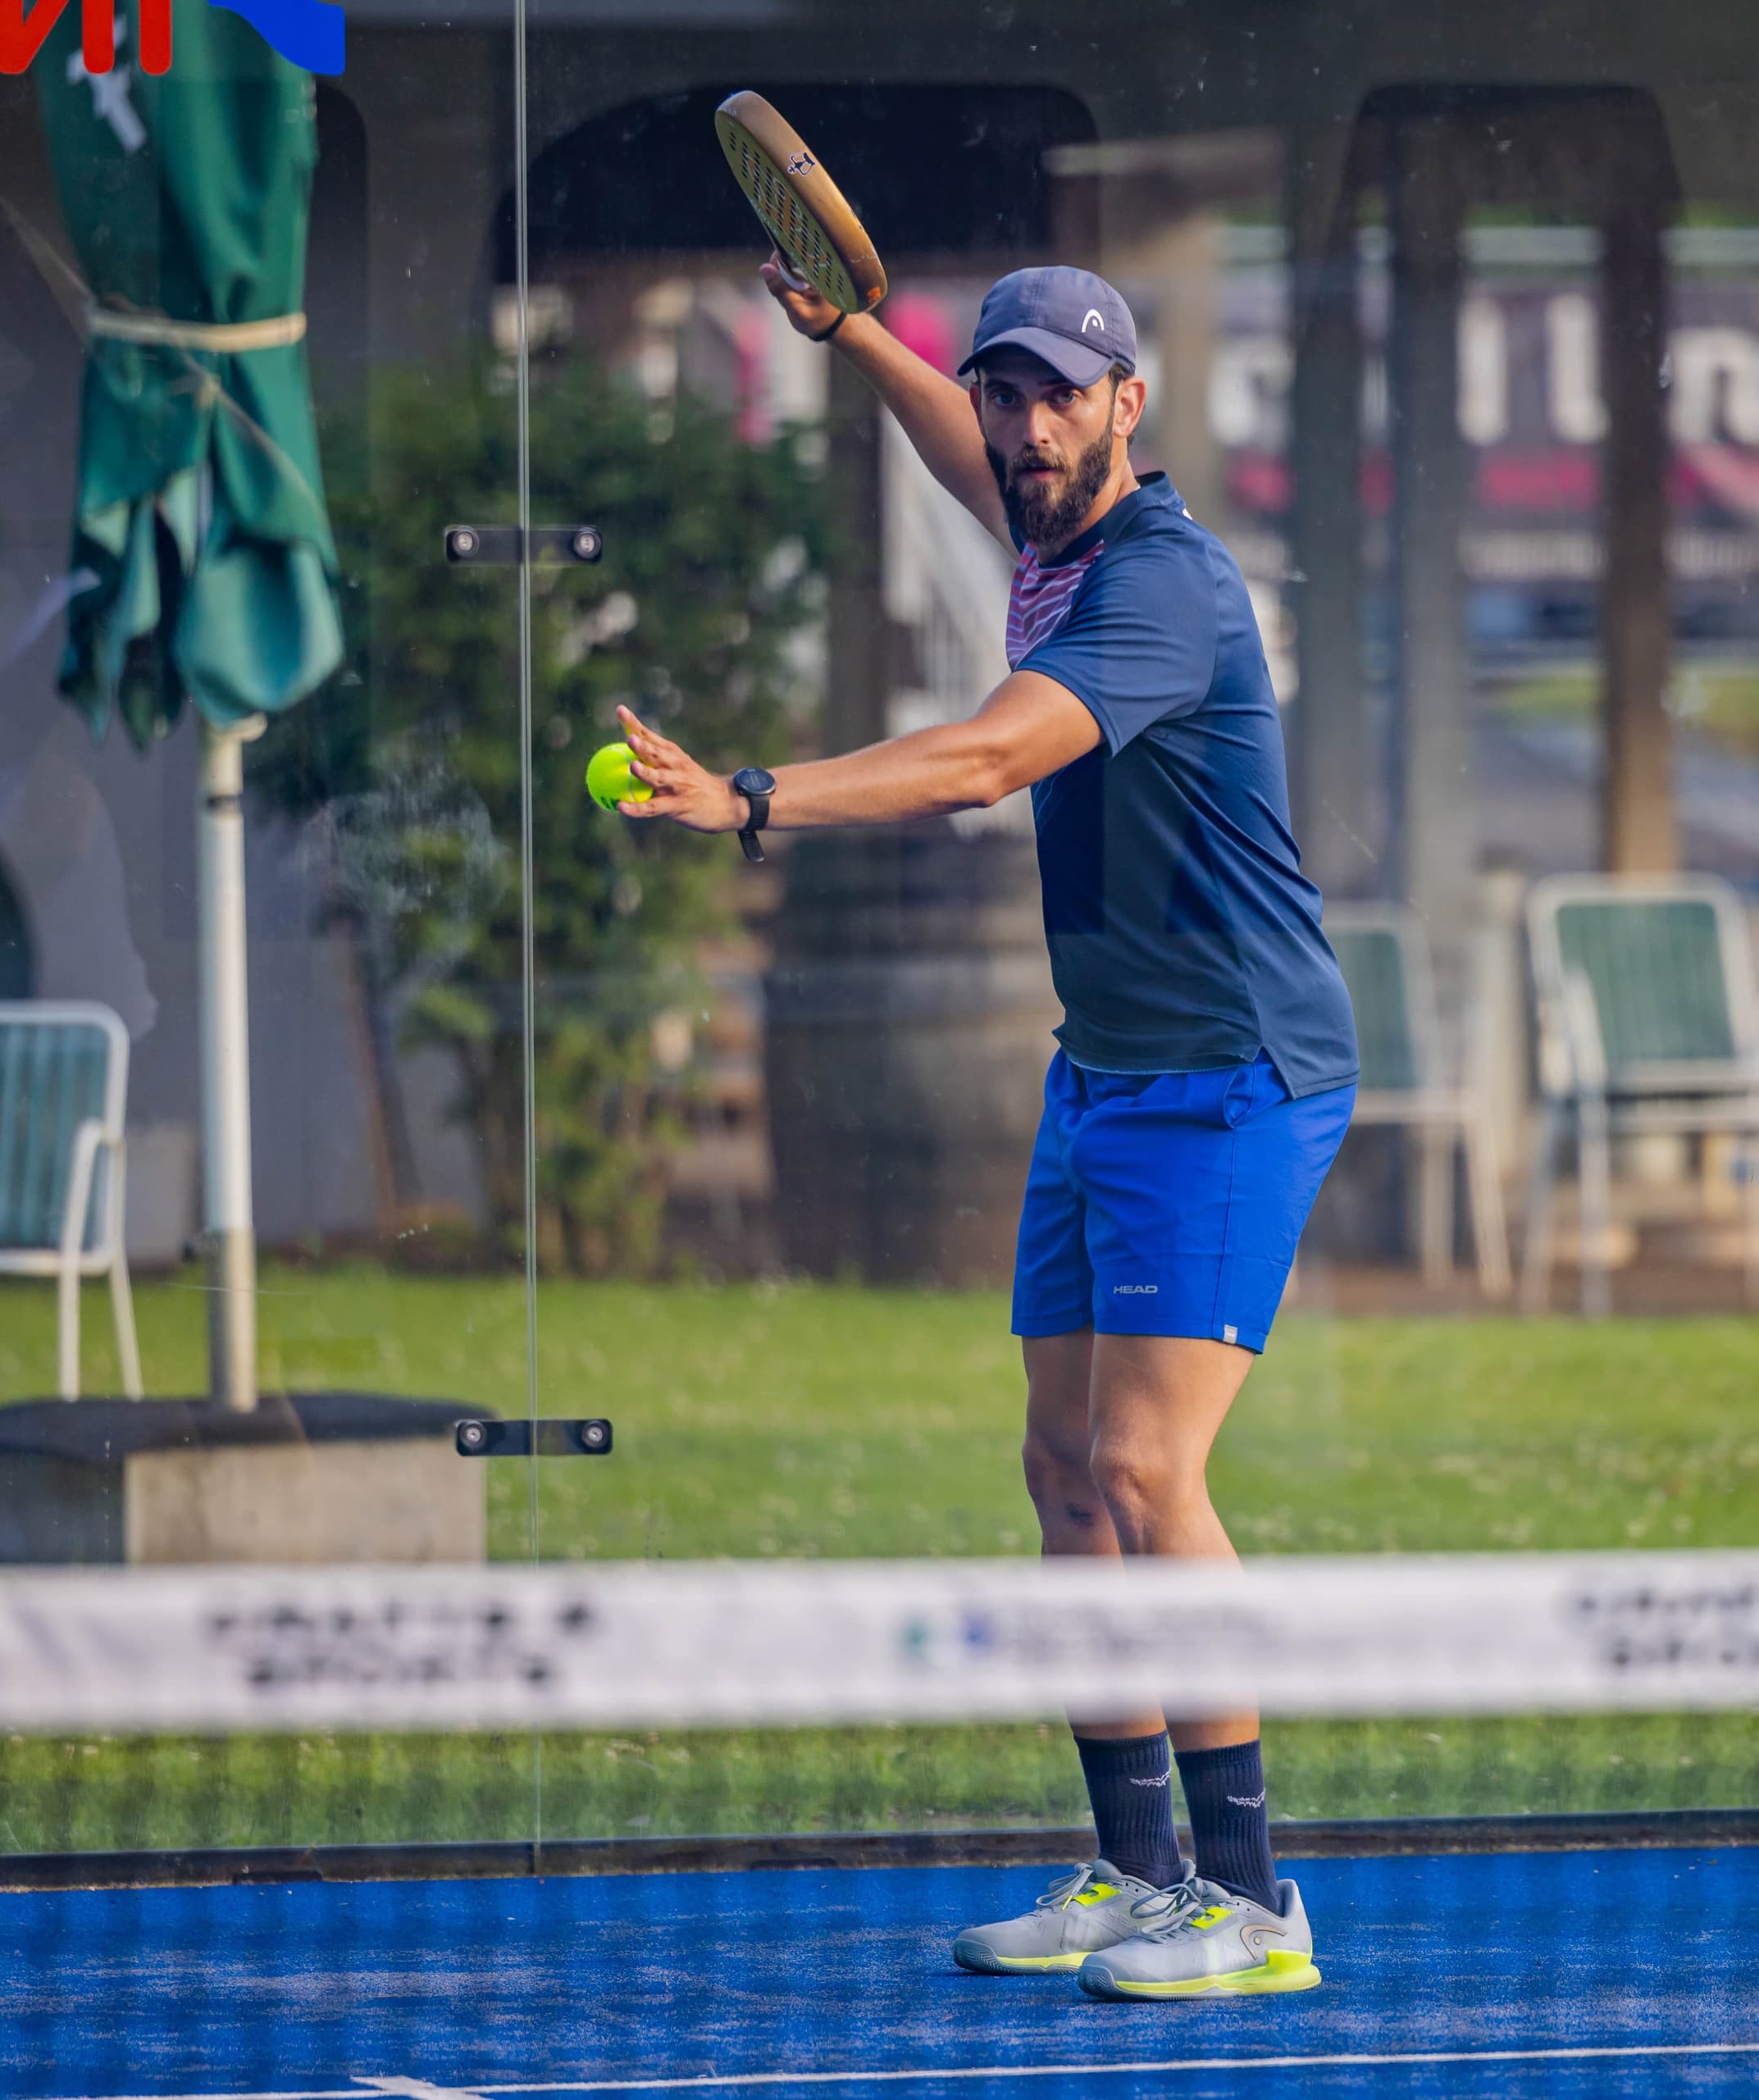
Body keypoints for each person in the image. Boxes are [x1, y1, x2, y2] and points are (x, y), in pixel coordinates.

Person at [611, 260, 1356, 2002]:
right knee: (1064, 1472)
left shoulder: (1160, 587)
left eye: (1055, 396)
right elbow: (972, 455)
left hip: (1232, 1073)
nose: (1023, 429)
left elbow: (979, 764)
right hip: (1104, 1069)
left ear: (1127, 406)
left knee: (1149, 1471)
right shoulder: (1047, 530)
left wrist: (751, 798)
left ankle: (1254, 1905)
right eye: (1003, 394)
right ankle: (1138, 1871)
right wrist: (860, 336)